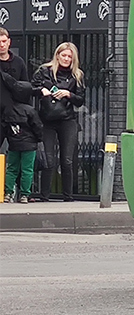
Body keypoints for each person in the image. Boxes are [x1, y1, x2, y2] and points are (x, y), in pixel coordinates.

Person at [32, 42, 87, 201]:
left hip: (67, 119)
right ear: (57, 55)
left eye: (70, 56)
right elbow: (30, 88)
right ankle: (44, 197)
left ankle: (68, 197)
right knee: (49, 160)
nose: (66, 59)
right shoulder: (44, 71)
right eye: (64, 55)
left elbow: (80, 100)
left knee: (67, 160)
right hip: (47, 119)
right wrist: (42, 90)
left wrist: (68, 94)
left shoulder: (77, 75)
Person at [1, 27, 39, 203]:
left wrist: (25, 112)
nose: (1, 45)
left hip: (15, 116)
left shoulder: (19, 62)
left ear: (9, 42)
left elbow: (25, 88)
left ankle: (20, 193)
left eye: (3, 41)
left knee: (17, 156)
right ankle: (7, 192)